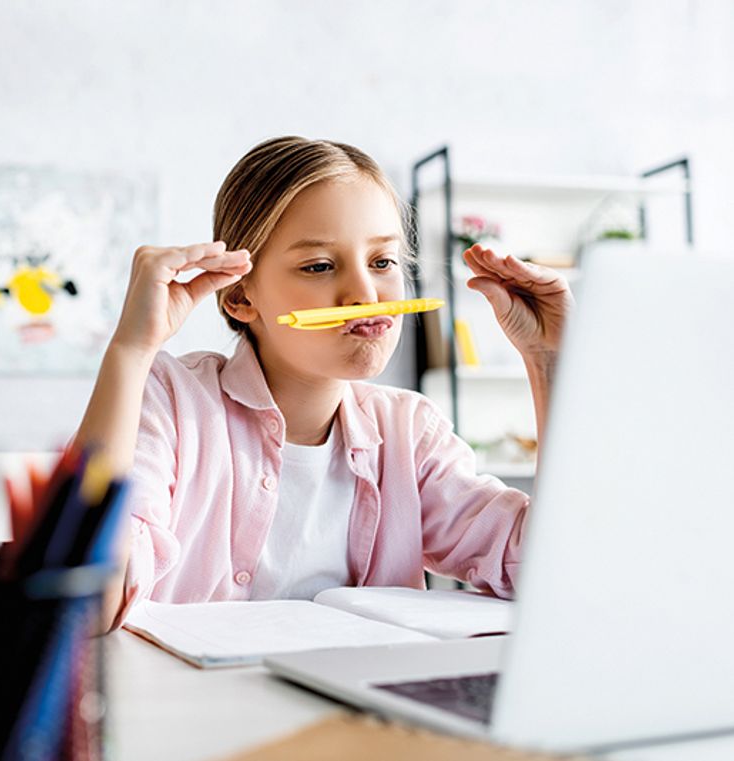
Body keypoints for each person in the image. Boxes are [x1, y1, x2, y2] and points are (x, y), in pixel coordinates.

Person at [75, 136, 573, 632]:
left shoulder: (410, 432)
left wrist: (548, 362)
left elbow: (550, 572)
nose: (363, 293)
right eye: (319, 266)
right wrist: (130, 351)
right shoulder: (170, 400)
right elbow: (92, 599)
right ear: (240, 298)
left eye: (382, 262)